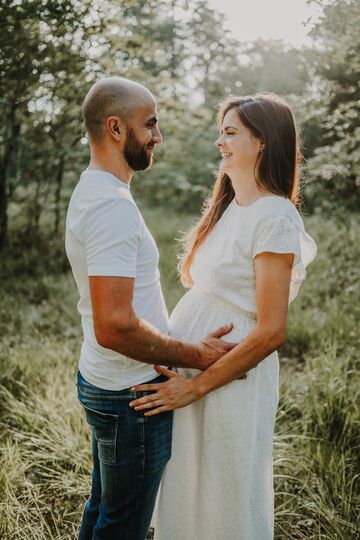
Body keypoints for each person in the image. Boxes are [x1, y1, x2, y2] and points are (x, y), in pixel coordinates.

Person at [129, 93, 318, 540]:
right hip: (198, 371)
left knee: (224, 496)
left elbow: (271, 332)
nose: (220, 142)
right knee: (192, 492)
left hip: (230, 380)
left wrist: (194, 388)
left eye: (231, 133)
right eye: (222, 132)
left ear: (263, 142)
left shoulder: (275, 217)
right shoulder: (233, 205)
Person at [65, 77, 236, 540]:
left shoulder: (96, 191)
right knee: (122, 526)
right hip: (130, 396)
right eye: (151, 124)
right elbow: (115, 326)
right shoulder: (110, 208)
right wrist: (195, 355)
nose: (158, 137)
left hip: (108, 382)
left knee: (105, 508)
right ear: (117, 128)